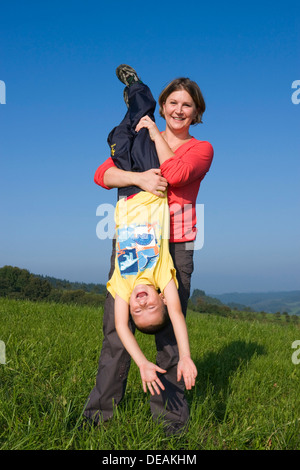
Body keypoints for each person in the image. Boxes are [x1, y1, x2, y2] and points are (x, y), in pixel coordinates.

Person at [83, 65, 214, 435]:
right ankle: (99, 416)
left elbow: (173, 174)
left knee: (168, 333)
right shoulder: (142, 140)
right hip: (130, 242)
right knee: (117, 328)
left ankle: (171, 422)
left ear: (196, 112)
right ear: (163, 104)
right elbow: (102, 175)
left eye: (187, 105)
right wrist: (138, 177)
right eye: (172, 101)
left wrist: (155, 134)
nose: (178, 109)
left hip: (176, 244)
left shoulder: (200, 149)